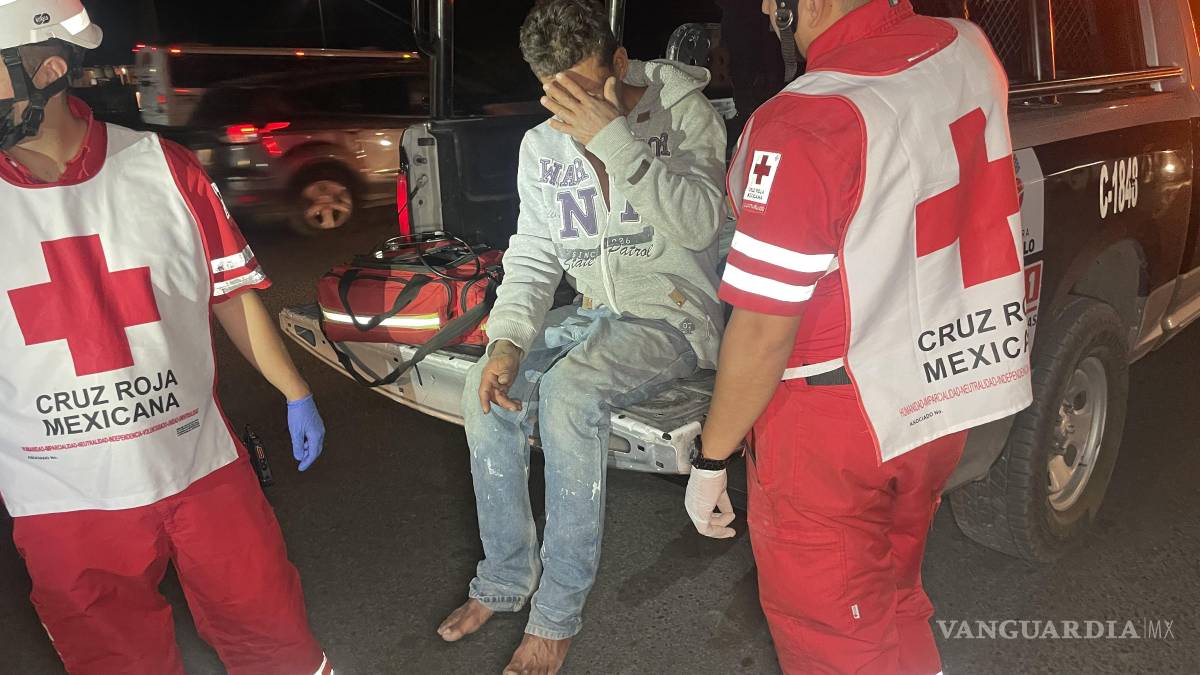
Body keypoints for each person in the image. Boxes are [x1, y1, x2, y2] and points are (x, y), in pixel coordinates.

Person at [685, 1, 1032, 673]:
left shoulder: (803, 120)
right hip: (939, 391)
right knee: (896, 596)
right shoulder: (966, 48)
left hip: (835, 426)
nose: (766, 8)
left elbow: (763, 330)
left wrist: (711, 457)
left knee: (833, 640)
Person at [0, 2, 333, 673]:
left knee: (275, 640)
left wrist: (295, 390)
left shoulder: (163, 168)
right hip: (61, 495)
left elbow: (229, 291)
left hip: (199, 464)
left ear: (49, 68)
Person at [436, 0, 728, 672]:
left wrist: (613, 138)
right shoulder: (541, 146)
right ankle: (505, 578)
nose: (576, 110)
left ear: (620, 62)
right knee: (486, 389)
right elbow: (535, 253)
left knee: (569, 395)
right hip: (596, 312)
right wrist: (508, 340)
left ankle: (556, 615)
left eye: (590, 90)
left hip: (673, 316)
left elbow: (701, 224)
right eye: (559, 96)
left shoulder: (684, 114)